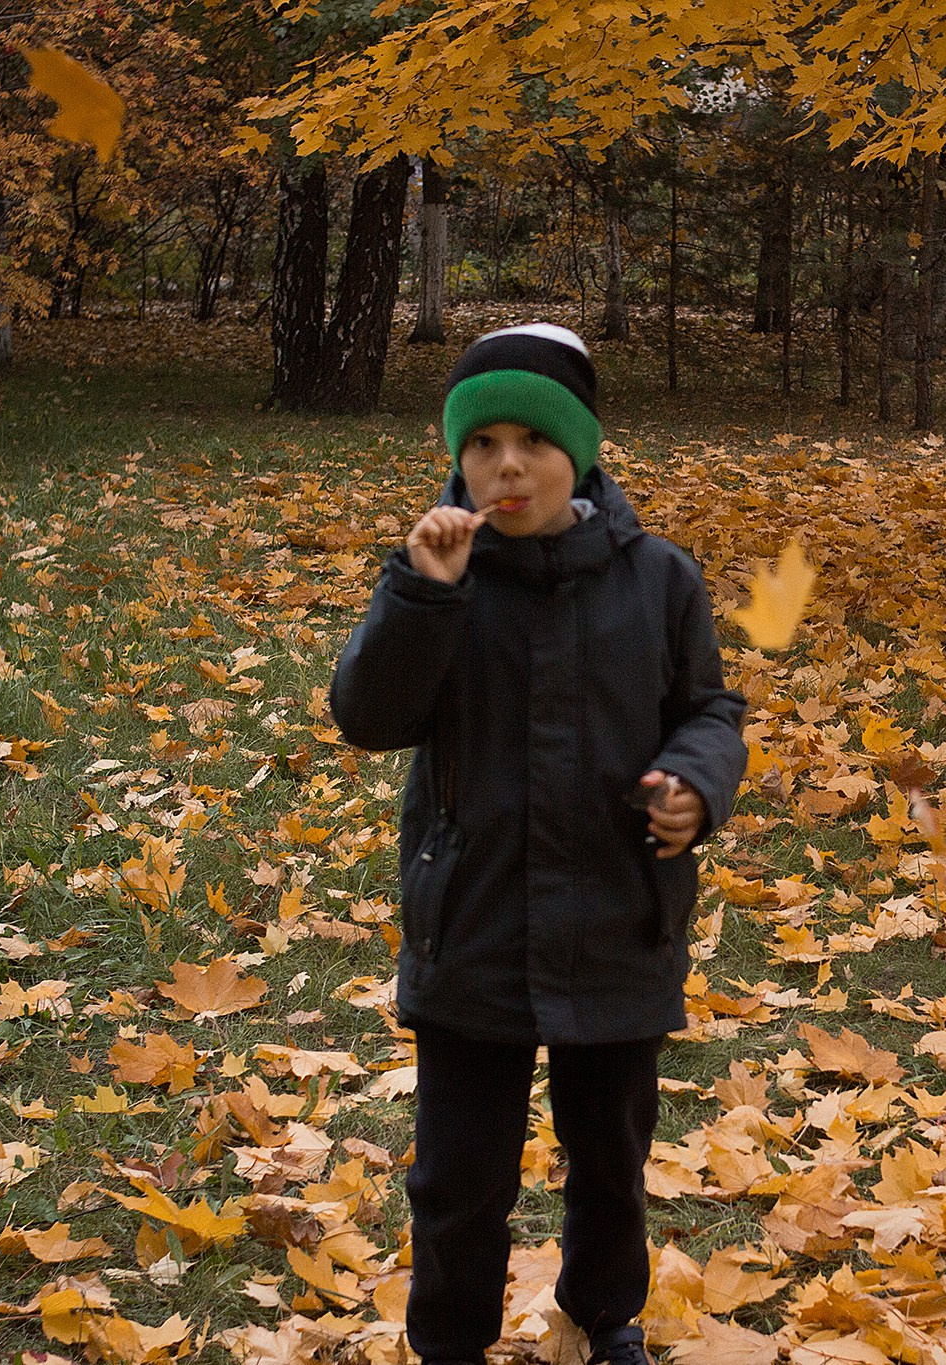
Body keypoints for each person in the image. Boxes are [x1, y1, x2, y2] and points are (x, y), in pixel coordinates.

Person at [330, 324, 747, 1365]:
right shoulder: (438, 575)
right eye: (482, 444)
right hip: (473, 922)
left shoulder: (659, 578)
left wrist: (695, 785)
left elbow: (707, 708)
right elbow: (369, 715)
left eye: (532, 442)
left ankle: (606, 1319)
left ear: (582, 454)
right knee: (459, 1173)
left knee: (609, 1157)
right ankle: (450, 1340)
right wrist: (422, 593)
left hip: (616, 918)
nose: (506, 466)